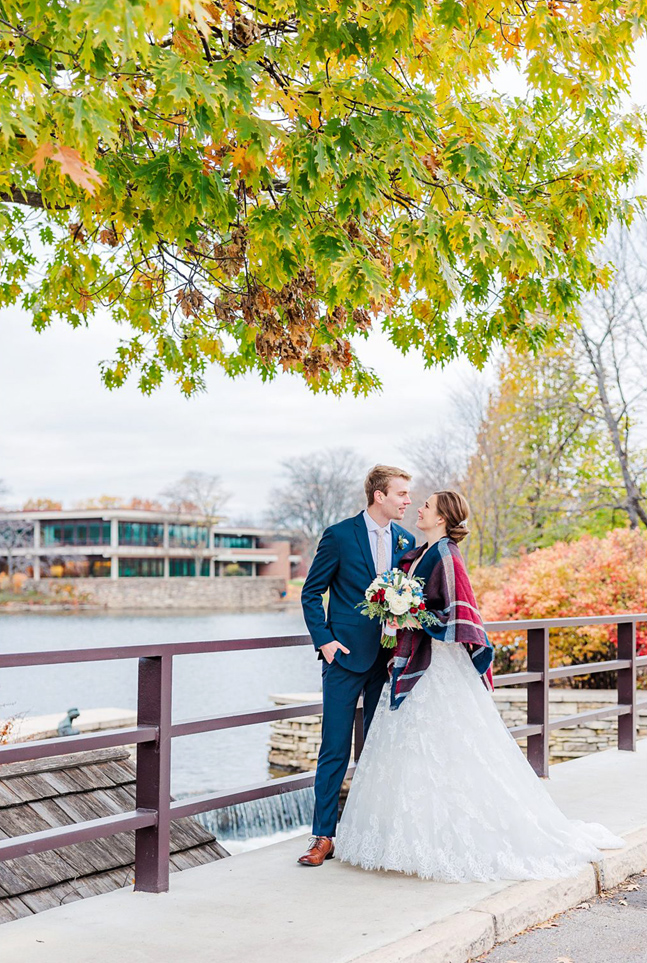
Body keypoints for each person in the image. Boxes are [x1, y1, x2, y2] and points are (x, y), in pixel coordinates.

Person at [335, 490, 624, 881]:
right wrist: (396, 609)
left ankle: (454, 839)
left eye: (426, 505)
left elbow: (454, 615)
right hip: (417, 665)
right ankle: (409, 838)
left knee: (449, 749)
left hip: (438, 668)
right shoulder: (419, 552)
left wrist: (413, 615)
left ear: (441, 517)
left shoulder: (447, 555)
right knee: (416, 751)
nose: (418, 508)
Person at [297, 465, 415, 866]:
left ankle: (370, 834)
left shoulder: (406, 540)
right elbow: (311, 593)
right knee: (334, 748)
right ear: (379, 496)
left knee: (379, 749)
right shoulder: (339, 535)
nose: (407, 501)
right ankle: (323, 837)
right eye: (401, 493)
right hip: (344, 659)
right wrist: (325, 642)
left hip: (388, 662)